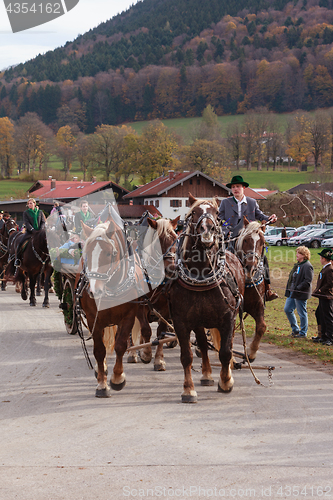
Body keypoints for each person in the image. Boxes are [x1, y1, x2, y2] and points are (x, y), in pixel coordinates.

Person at [218, 174, 278, 301]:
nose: (235, 189)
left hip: (250, 240)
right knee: (222, 260)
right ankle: (220, 288)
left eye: (238, 186)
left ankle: (267, 290)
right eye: (233, 187)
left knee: (263, 260)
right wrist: (226, 230)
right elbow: (221, 220)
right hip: (232, 239)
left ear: (243, 188)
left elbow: (260, 215)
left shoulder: (252, 202)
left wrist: (269, 219)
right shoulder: (225, 203)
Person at [284, 246, 314, 338]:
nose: (296, 255)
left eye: (298, 253)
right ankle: (295, 329)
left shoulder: (307, 266)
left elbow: (308, 281)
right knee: (287, 309)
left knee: (302, 313)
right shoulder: (298, 265)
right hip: (293, 292)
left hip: (300, 294)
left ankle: (303, 332)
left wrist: (298, 288)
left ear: (304, 255)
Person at [14, 198, 46, 268]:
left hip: (40, 232)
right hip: (30, 232)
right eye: (28, 204)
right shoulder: (26, 213)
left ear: (34, 204)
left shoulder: (40, 212)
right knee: (20, 243)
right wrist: (32, 230)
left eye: (31, 203)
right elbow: (27, 223)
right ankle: (17, 259)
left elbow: (43, 222)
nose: (29, 205)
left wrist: (40, 230)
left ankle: (48, 259)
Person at [312, 248, 333, 346]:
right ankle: (323, 336)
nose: (320, 259)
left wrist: (321, 290)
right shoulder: (326, 268)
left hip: (327, 297)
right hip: (322, 296)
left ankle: (330, 338)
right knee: (320, 314)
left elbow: (330, 283)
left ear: (324, 258)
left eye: (321, 257)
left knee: (328, 317)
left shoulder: (330, 269)